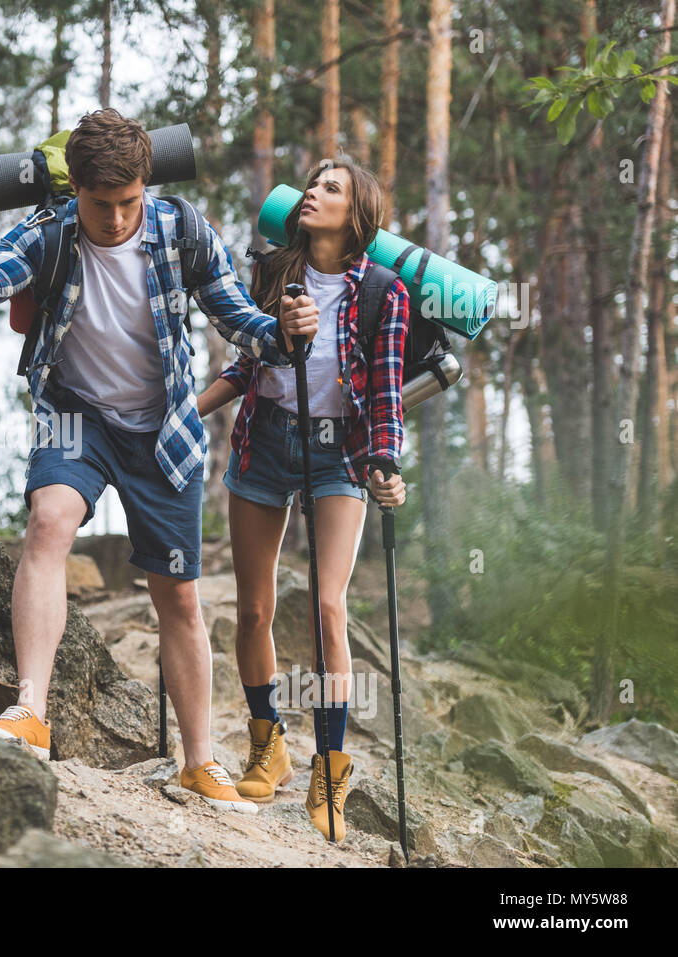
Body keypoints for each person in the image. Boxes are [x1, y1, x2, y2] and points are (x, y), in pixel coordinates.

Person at [0, 108, 316, 809]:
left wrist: (288, 330)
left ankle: (199, 759)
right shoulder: (50, 231)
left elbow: (245, 324)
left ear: (147, 186)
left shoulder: (181, 228)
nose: (116, 218)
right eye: (100, 204)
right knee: (49, 521)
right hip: (73, 412)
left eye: (129, 202)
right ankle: (29, 711)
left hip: (163, 429)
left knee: (176, 596)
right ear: (74, 189)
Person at [195, 156, 409, 841]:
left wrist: (386, 461)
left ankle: (330, 768)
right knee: (253, 608)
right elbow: (246, 363)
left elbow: (385, 392)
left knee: (326, 606)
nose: (314, 193)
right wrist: (187, 412)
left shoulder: (383, 292)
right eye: (313, 184)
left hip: (339, 453)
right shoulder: (272, 273)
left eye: (332, 188)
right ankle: (269, 747)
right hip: (265, 440)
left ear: (358, 213)